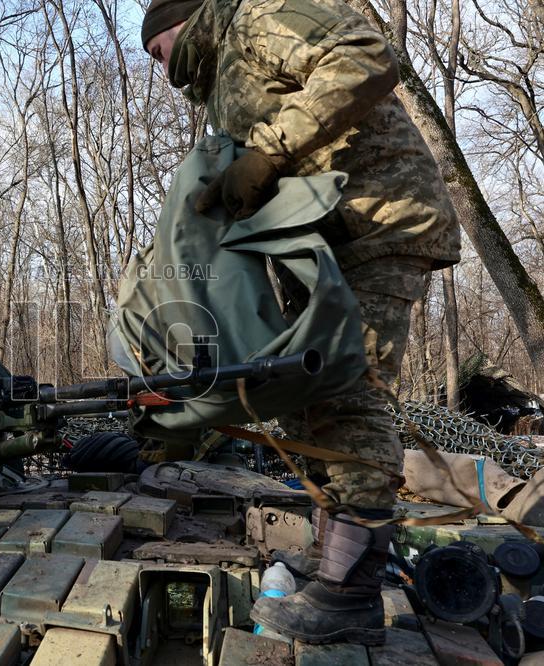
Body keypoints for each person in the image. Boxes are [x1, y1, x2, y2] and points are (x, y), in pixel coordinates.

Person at [141, 0, 460, 645]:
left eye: (159, 49)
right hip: (320, 245)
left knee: (346, 389)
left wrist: (265, 151)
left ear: (184, 20)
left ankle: (350, 594)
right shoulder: (223, 81)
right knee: (296, 391)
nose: (161, 67)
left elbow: (367, 57)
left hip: (377, 221)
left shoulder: (256, 17)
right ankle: (338, 567)